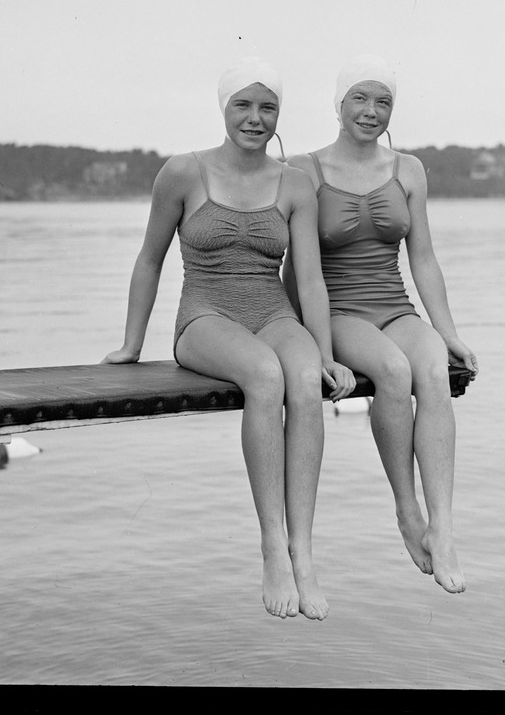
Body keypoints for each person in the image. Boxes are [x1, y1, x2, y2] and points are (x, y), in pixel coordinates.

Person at [102, 57, 356, 620]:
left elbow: (309, 279)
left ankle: (304, 552)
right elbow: (149, 260)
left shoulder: (294, 183)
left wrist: (328, 355)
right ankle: (272, 545)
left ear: (278, 116)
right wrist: (131, 344)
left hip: (271, 310)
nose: (255, 118)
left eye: (268, 108)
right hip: (205, 316)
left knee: (304, 377)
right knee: (266, 374)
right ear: (224, 108)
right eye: (243, 104)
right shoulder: (183, 173)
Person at [284, 54, 479, 594]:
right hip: (337, 310)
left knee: (434, 368)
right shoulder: (304, 169)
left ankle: (443, 527)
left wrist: (448, 330)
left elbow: (423, 259)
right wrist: (312, 345)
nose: (371, 111)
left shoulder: (409, 169)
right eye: (360, 99)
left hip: (394, 306)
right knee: (393, 372)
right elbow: (294, 270)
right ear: (339, 105)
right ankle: (406, 510)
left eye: (383, 101)